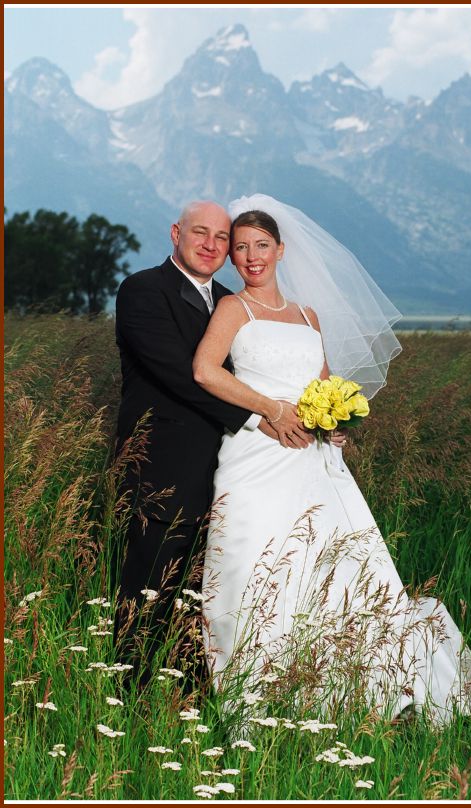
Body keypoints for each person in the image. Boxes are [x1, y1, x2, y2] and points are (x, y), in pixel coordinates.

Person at [193, 194, 471, 726]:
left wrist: (335, 421)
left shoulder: (309, 316)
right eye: (241, 248)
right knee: (250, 562)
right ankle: (253, 699)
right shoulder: (233, 309)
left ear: (281, 250)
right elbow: (205, 372)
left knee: (336, 566)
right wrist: (271, 409)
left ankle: (358, 692)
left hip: (315, 459)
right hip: (257, 453)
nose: (252, 257)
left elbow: (322, 382)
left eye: (262, 245)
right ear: (232, 258)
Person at [113, 200, 308, 688]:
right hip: (163, 465)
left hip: (232, 470)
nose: (211, 244)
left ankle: (194, 694)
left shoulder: (229, 301)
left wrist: (322, 418)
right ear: (176, 233)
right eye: (200, 232)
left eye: (222, 238)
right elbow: (182, 374)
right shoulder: (143, 290)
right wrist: (260, 415)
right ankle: (130, 699)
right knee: (149, 589)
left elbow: (257, 374)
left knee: (211, 592)